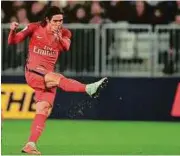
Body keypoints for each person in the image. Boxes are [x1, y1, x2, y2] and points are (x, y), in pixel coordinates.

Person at [8, 6, 108, 155]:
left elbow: (66, 47)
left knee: (44, 109)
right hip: (33, 71)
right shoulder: (34, 27)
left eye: (61, 20)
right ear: (48, 19)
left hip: (47, 75)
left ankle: (30, 144)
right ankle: (88, 88)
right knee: (58, 78)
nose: (59, 23)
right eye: (55, 20)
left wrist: (58, 36)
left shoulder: (65, 32)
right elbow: (13, 41)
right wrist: (12, 30)